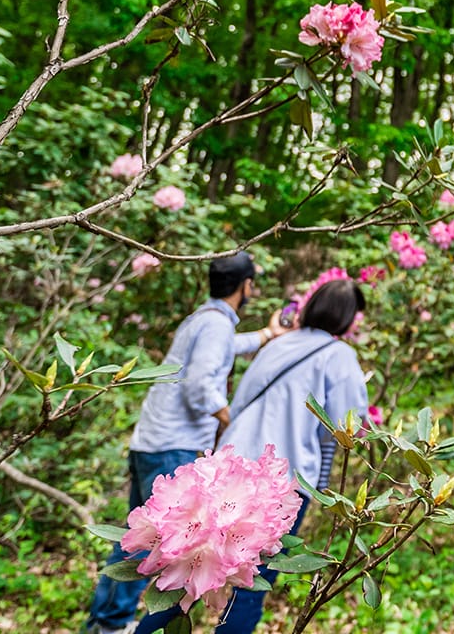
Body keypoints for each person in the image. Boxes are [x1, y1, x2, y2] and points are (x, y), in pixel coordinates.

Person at [135, 278, 370, 634]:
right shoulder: (340, 356)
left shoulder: (278, 345)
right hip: (281, 481)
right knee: (250, 584)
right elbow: (348, 427)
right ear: (348, 319)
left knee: (187, 572)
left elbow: (241, 402)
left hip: (228, 471)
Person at [86, 251, 288, 634]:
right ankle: (113, 625)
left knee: (134, 539)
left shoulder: (203, 319)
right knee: (162, 542)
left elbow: (223, 348)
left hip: (150, 440)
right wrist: (232, 420)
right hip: (173, 446)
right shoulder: (215, 326)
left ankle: (104, 622)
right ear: (246, 286)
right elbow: (199, 387)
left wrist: (265, 335)